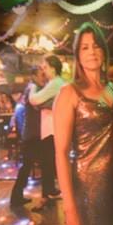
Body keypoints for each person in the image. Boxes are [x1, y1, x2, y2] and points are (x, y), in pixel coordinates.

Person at [53, 23, 113, 225]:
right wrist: (70, 211)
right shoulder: (69, 93)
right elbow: (60, 153)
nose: (92, 52)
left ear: (104, 52)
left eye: (96, 46)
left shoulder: (110, 89)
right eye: (85, 47)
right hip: (88, 187)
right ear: (77, 55)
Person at [9, 66, 48, 209]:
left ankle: (17, 197)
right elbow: (39, 105)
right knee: (27, 167)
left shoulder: (33, 88)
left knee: (28, 166)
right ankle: (16, 198)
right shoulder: (32, 88)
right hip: (32, 136)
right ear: (34, 76)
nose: (44, 77)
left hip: (31, 135)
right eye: (41, 75)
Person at [29, 54, 67, 200]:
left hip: (52, 128)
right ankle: (50, 190)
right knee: (49, 160)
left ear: (52, 68)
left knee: (48, 161)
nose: (43, 71)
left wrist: (33, 86)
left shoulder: (55, 83)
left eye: (45, 67)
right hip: (51, 127)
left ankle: (49, 192)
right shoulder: (55, 83)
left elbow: (34, 100)